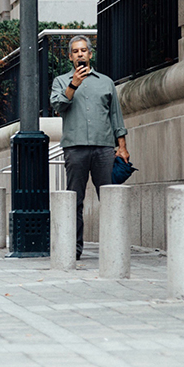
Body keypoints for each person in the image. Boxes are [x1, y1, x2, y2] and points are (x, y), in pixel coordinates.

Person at [50, 35, 129, 260]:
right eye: (75, 51)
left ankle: (114, 246)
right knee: (75, 199)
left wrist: (121, 146)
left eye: (84, 50)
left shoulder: (105, 82)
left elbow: (116, 116)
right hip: (75, 148)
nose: (80, 54)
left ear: (90, 54)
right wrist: (73, 84)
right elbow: (57, 105)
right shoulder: (60, 81)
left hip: (104, 147)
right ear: (70, 56)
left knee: (109, 197)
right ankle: (73, 248)